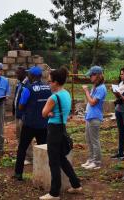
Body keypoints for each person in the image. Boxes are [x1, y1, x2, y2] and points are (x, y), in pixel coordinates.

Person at [40, 67, 82, 200]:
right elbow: (61, 110)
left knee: (54, 161)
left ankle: (54, 193)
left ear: (56, 82)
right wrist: (52, 112)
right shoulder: (66, 94)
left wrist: (50, 113)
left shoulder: (53, 97)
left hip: (53, 129)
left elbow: (44, 113)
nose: (48, 84)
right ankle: (75, 184)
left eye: (50, 81)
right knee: (61, 159)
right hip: (62, 127)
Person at [13, 66, 51, 181]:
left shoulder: (28, 89)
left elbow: (21, 105)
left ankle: (18, 174)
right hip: (43, 124)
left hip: (29, 124)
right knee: (44, 149)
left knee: (22, 148)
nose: (27, 76)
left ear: (32, 76)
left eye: (29, 74)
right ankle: (46, 174)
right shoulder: (48, 88)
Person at [81, 66, 107, 170]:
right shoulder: (95, 87)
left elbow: (92, 102)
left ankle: (96, 162)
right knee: (89, 140)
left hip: (95, 117)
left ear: (98, 76)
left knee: (94, 140)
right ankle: (91, 159)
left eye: (91, 75)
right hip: (89, 116)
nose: (90, 77)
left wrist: (86, 91)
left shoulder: (101, 88)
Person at [12, 66, 32, 164]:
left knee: (25, 137)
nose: (16, 75)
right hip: (18, 114)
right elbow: (16, 98)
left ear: (23, 74)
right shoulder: (19, 84)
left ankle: (29, 157)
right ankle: (22, 156)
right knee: (19, 136)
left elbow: (26, 102)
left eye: (18, 73)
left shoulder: (27, 84)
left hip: (23, 115)